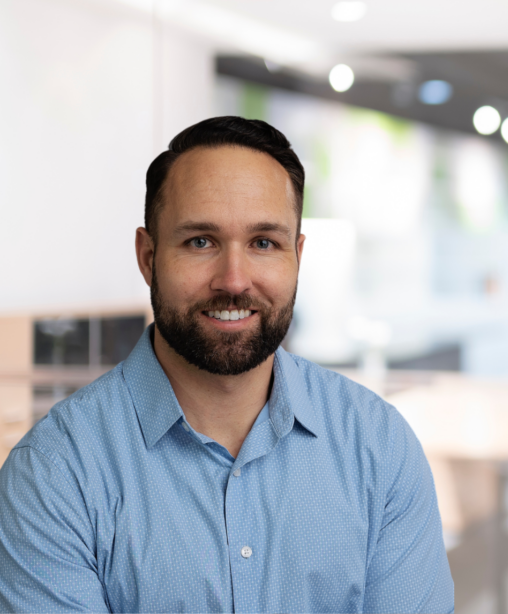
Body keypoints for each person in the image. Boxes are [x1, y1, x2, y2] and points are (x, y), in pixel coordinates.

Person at [0, 117, 455, 613]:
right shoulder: (53, 474)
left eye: (264, 243)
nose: (234, 280)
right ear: (148, 257)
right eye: (201, 241)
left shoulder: (378, 445)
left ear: (297, 256)